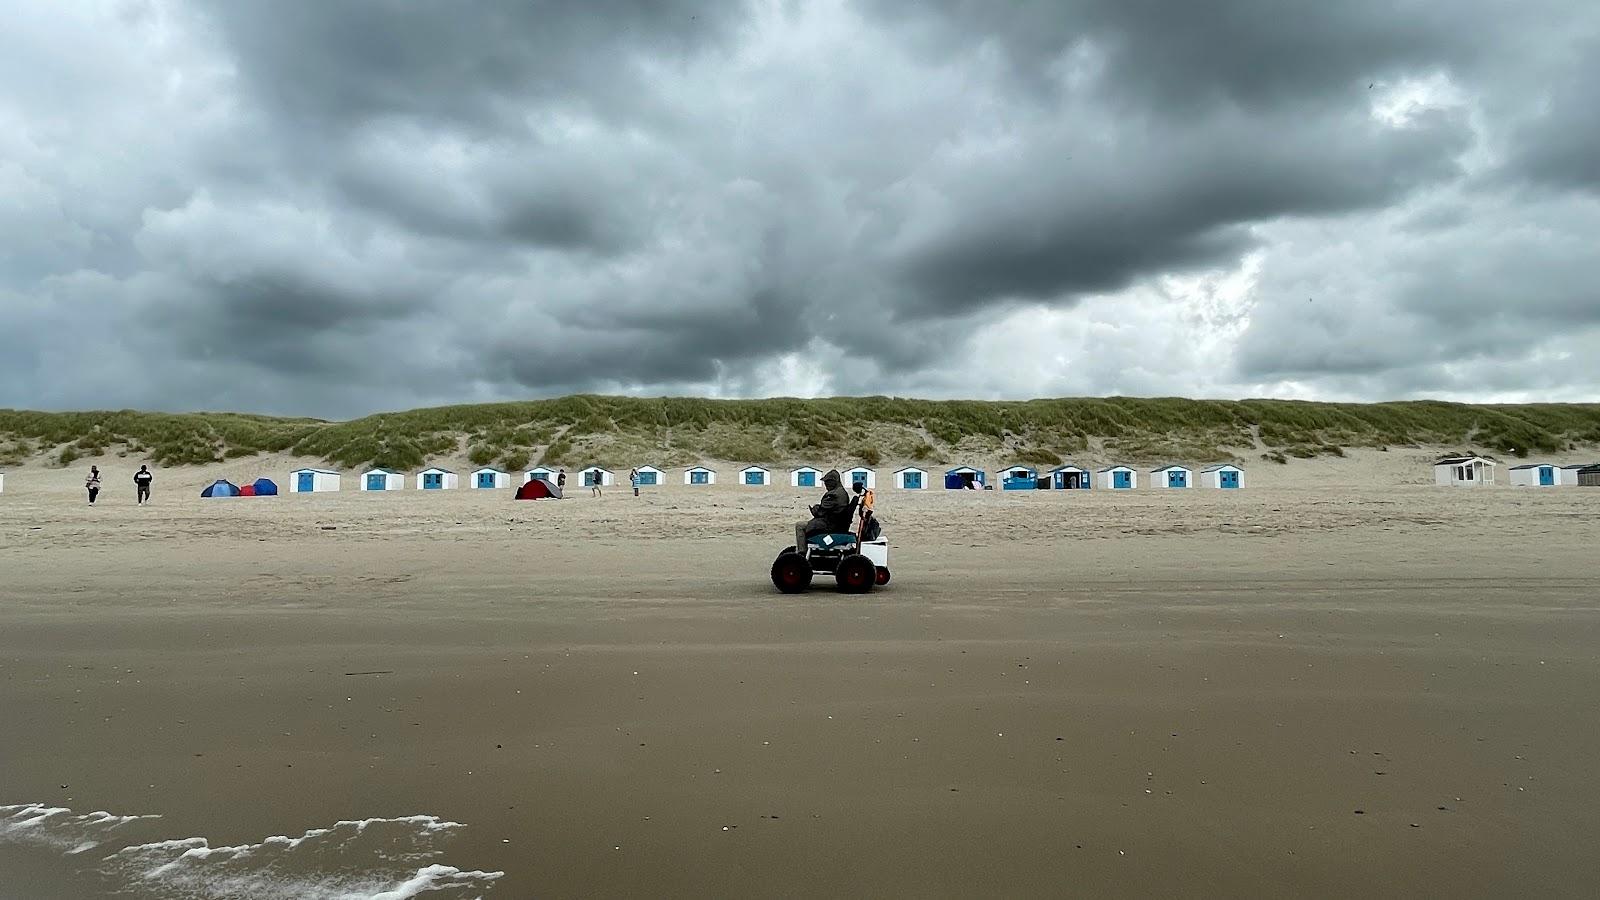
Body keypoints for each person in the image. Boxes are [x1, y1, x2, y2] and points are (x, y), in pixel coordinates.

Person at [794, 469, 853, 556]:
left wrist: (815, 509)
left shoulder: (833, 494)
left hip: (830, 525)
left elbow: (820, 512)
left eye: (827, 482)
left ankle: (802, 553)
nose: (825, 485)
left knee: (800, 525)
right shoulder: (842, 492)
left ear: (833, 482)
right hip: (838, 523)